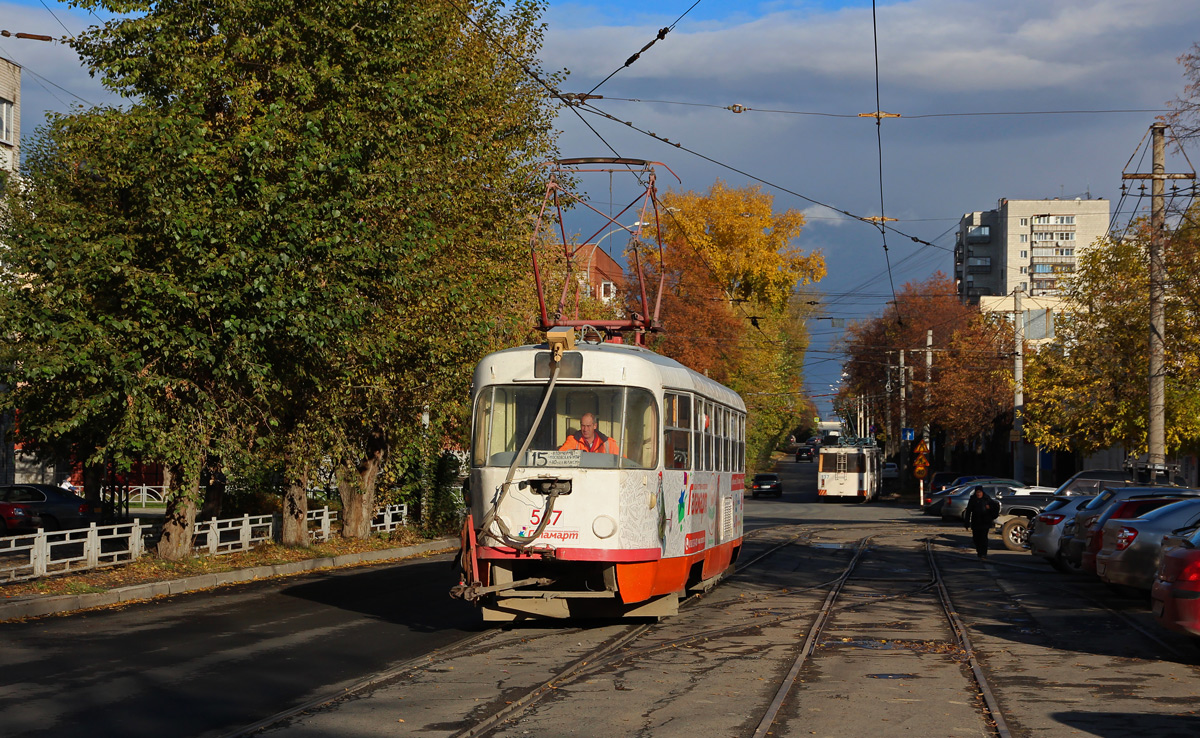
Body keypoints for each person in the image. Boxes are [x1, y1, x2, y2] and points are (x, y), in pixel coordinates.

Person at [963, 486, 1000, 560]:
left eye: (980, 492)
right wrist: (966, 523)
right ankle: (979, 551)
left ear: (982, 492)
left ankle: (983, 553)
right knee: (976, 538)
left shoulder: (987, 498)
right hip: (976, 522)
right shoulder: (973, 499)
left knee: (983, 538)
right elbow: (968, 511)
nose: (979, 494)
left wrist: (989, 508)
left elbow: (995, 506)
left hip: (985, 522)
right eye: (977, 492)